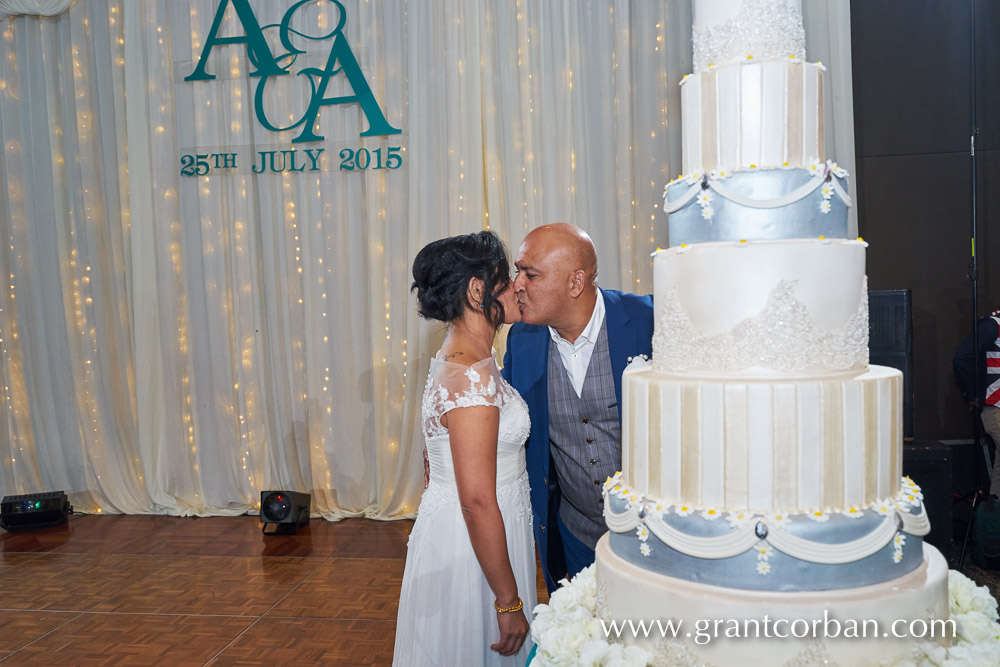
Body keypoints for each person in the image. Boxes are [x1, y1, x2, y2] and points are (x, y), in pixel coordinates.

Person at [394, 230, 535, 666]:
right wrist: (508, 602)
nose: (518, 286)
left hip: (478, 529)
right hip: (474, 538)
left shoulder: (460, 355)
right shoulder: (470, 376)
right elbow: (475, 500)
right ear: (477, 289)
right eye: (507, 277)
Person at [501, 223, 654, 593]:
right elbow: (503, 415)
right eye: (517, 271)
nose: (517, 284)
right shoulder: (522, 340)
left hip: (654, 533)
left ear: (576, 283)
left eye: (530, 274)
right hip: (577, 534)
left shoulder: (649, 322)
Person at [953, 310, 1000, 499]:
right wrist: (973, 394)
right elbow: (962, 357)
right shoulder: (993, 324)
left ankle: (995, 517)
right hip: (995, 407)